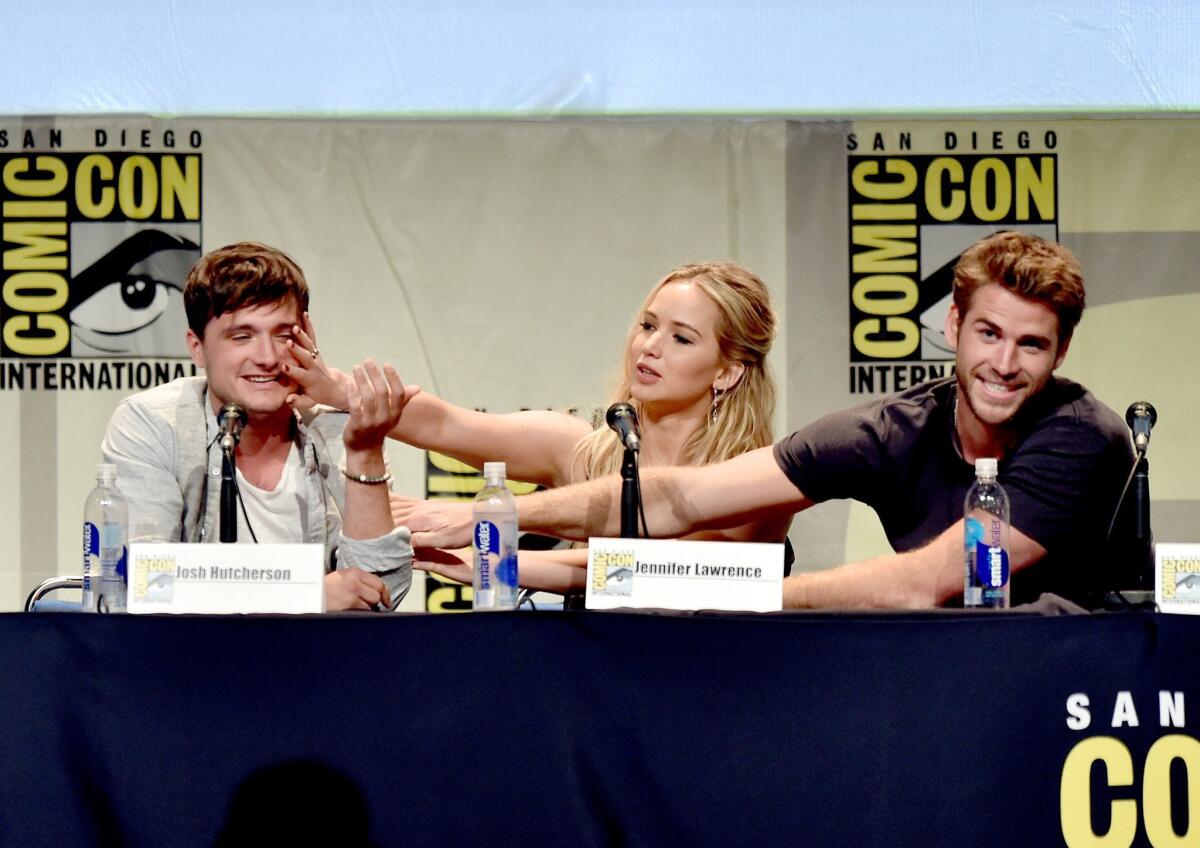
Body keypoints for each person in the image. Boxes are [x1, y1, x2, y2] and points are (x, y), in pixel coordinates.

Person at [403, 232, 1137, 609]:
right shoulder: (889, 430)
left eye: (1031, 343)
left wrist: (753, 597)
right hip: (949, 675)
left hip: (1072, 693)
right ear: (953, 323)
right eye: (988, 334)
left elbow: (925, 582)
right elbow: (675, 496)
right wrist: (492, 517)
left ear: (1061, 350)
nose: (1005, 362)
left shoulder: (1080, 435)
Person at [285, 261, 790, 593]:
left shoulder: (754, 480)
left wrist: (488, 557)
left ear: (727, 370)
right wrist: (335, 388)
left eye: (681, 338)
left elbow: (647, 574)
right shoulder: (584, 450)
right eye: (648, 324)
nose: (650, 347)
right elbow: (445, 424)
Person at [101, 242, 413, 611]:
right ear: (197, 348)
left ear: (306, 340)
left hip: (320, 661)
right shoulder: (153, 423)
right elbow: (141, 582)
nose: (266, 358)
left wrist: (365, 452)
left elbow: (378, 595)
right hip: (188, 662)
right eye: (242, 336)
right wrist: (304, 594)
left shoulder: (337, 426)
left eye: (282, 335)